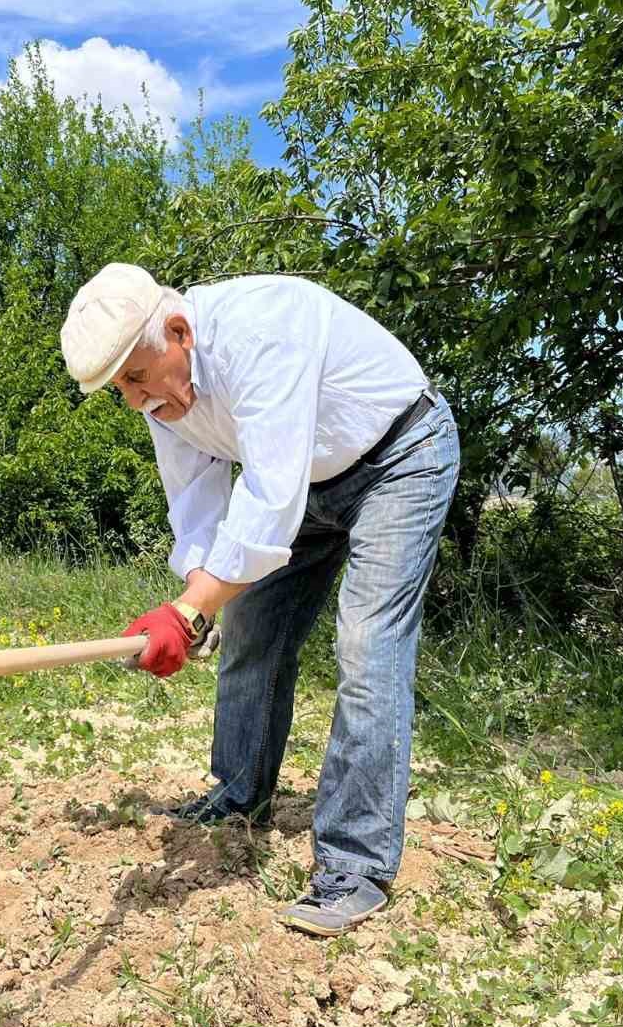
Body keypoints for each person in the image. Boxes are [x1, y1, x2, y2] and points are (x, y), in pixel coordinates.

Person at [59, 263, 460, 936]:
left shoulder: (263, 330)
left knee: (367, 646)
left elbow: (271, 495)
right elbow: (197, 504)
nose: (132, 400)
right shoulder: (164, 397)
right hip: (310, 481)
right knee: (250, 628)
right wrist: (196, 604)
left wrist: (192, 610)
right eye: (117, 390)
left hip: (399, 457)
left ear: (180, 332)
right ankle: (239, 793)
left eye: (134, 377)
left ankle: (355, 866)